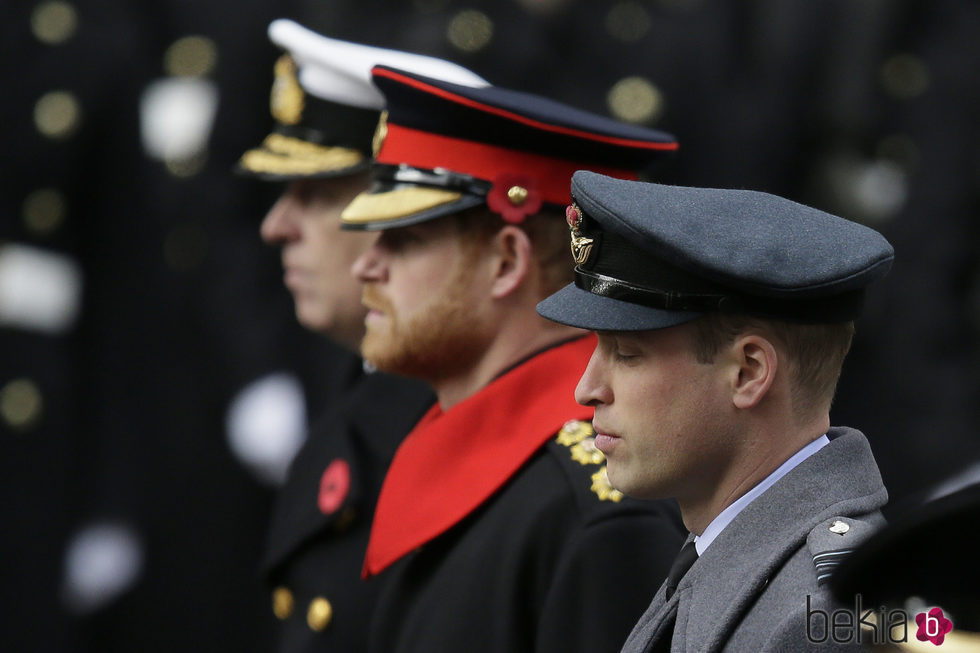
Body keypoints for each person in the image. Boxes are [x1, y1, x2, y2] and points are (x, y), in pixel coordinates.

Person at [338, 66, 687, 653]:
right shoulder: (477, 459)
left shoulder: (594, 517)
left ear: (506, 261)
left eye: (404, 240)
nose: (365, 268)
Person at [536, 170, 895, 652]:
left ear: (747, 372)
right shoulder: (723, 550)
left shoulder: (823, 611)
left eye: (626, 353)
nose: (587, 389)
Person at [237, 19, 487, 652]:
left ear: (400, 217)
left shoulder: (452, 428)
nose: (276, 226)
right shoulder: (360, 396)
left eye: (316, 194)